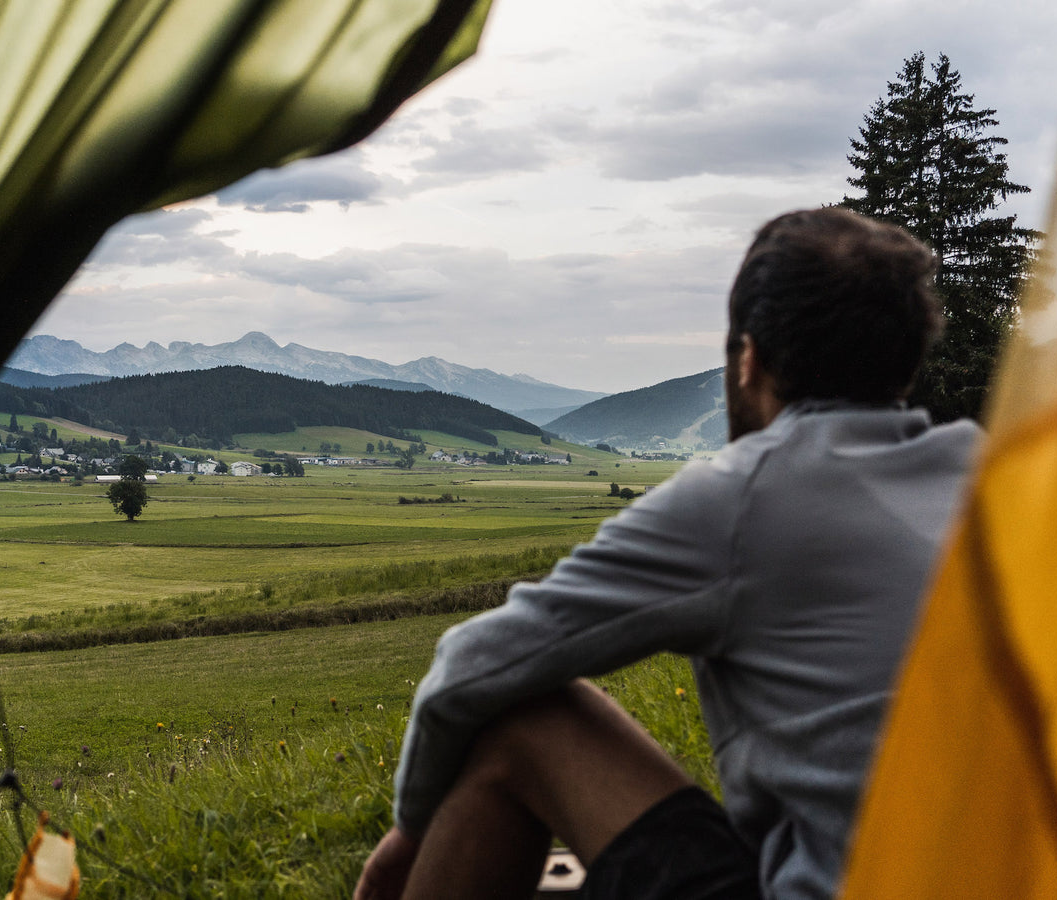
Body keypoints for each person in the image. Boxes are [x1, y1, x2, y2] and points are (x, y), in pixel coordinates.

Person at [354, 207, 982, 900]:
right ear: (906, 359)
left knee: (523, 719)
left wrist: (409, 835)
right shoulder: (991, 473)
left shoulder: (748, 495)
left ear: (749, 361)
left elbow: (474, 664)